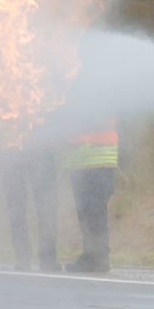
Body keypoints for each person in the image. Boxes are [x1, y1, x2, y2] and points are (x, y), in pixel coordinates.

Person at [62, 114, 119, 273]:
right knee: (86, 214)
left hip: (98, 161)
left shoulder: (96, 95)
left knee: (95, 213)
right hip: (81, 163)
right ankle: (91, 256)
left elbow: (96, 121)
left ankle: (99, 258)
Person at [1, 132, 60, 272]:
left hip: (30, 149)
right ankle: (40, 259)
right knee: (24, 207)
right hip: (31, 149)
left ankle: (36, 259)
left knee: (42, 207)